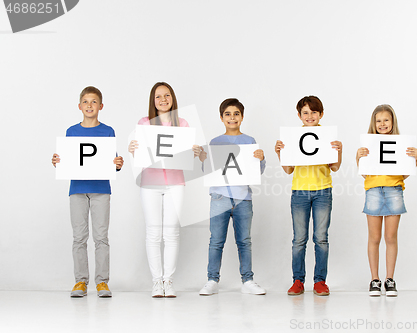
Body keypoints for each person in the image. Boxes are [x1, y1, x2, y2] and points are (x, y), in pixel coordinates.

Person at [129, 82, 203, 298]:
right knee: (153, 232)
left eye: (167, 95)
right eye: (158, 96)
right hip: (150, 183)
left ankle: (168, 281)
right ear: (153, 100)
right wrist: (132, 148)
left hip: (175, 182)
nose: (163, 100)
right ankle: (156, 282)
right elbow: (139, 152)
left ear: (173, 99)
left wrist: (195, 150)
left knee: (171, 232)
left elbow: (187, 154)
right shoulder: (144, 123)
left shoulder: (182, 123)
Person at [52, 86, 124, 298]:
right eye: (86, 101)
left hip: (101, 189)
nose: (89, 105)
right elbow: (67, 160)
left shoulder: (108, 131)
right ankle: (80, 282)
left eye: (94, 102)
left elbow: (112, 160)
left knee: (101, 237)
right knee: (79, 237)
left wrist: (118, 164)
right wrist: (57, 161)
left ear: (101, 106)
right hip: (77, 189)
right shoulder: (71, 131)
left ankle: (102, 282)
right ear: (79, 106)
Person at [275, 96, 342, 296]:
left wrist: (339, 150)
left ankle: (320, 281)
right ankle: (298, 280)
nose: (310, 116)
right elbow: (288, 170)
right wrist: (280, 153)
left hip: (323, 191)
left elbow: (335, 167)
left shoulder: (326, 136)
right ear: (299, 115)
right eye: (305, 112)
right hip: (300, 192)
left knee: (321, 238)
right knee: (299, 239)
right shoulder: (294, 137)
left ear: (321, 114)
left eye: (314, 112)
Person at [198, 98, 266, 296]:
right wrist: (203, 159)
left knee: (244, 240)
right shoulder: (215, 142)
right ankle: (212, 280)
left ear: (242, 117)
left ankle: (248, 280)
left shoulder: (250, 141)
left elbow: (257, 171)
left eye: (236, 114)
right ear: (221, 118)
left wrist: (261, 159)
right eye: (227, 114)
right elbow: (208, 171)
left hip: (243, 197)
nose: (232, 117)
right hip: (219, 196)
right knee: (216, 241)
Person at [356, 104, 417, 297]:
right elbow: (364, 172)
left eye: (386, 120)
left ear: (392, 122)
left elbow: (405, 171)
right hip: (374, 190)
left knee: (391, 237)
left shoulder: (399, 144)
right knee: (374, 237)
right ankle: (374, 279)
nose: (382, 124)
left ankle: (389, 279)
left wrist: (416, 158)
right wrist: (358, 158)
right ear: (373, 124)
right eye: (378, 121)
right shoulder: (368, 145)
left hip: (394, 191)